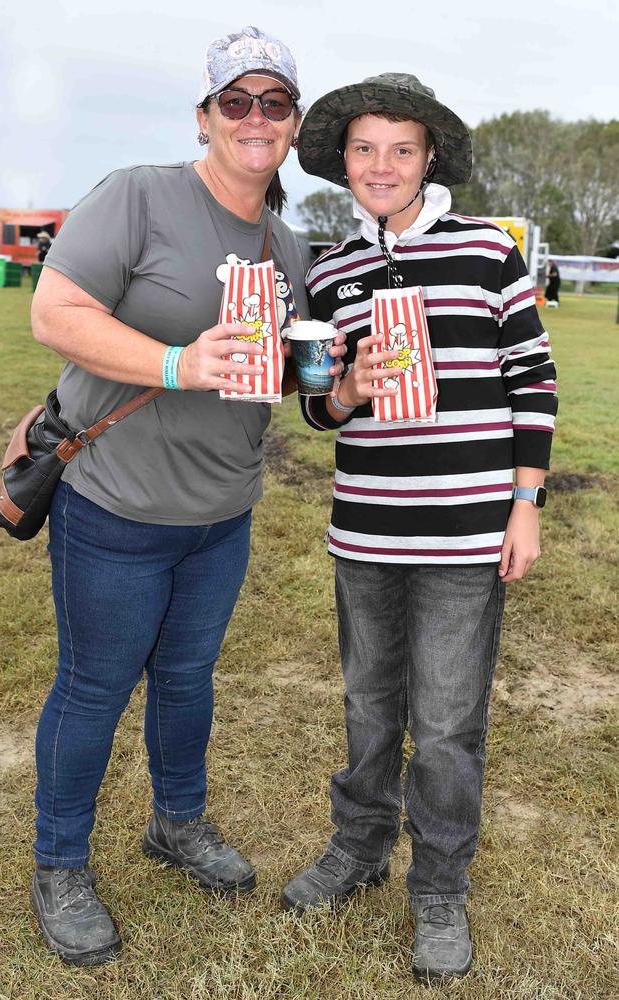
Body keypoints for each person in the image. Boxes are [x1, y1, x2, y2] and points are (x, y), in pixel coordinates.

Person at [28, 25, 344, 967]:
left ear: (289, 126)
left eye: (273, 104)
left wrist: (337, 386)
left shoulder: (286, 243)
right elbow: (56, 312)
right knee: (95, 686)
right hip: (116, 507)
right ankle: (59, 862)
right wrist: (178, 359)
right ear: (205, 117)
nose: (255, 118)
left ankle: (177, 823)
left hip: (221, 514)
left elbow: (274, 373)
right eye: (235, 102)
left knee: (186, 680)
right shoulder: (139, 195)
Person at [283, 74, 557, 981]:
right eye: (364, 149)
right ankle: (359, 847)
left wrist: (526, 504)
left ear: (429, 156)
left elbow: (533, 382)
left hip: (465, 538)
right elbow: (317, 410)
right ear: (343, 163)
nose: (382, 165)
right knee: (368, 706)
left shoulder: (488, 250)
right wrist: (345, 395)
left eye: (401, 148)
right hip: (365, 532)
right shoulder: (331, 273)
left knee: (445, 724)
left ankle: (439, 888)